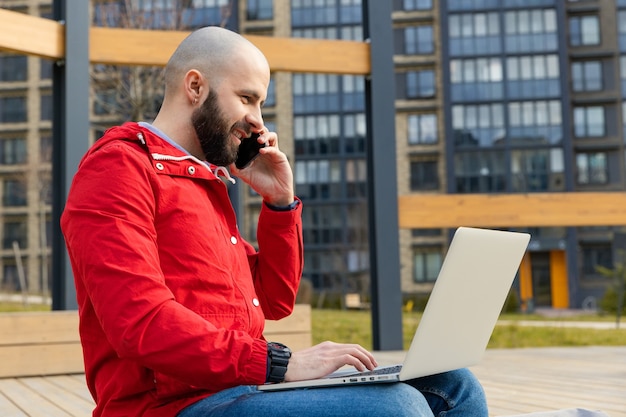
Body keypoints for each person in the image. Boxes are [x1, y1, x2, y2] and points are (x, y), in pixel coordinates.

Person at [61, 26, 488, 417]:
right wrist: (281, 363)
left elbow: (274, 299)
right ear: (195, 86)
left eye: (261, 103)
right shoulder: (118, 170)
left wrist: (280, 203)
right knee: (398, 406)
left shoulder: (202, 182)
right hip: (169, 406)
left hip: (238, 388)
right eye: (247, 98)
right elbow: (140, 323)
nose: (258, 121)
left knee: (454, 385)